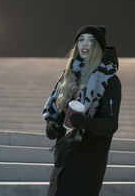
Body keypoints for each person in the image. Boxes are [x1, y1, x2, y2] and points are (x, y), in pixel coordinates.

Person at [42, 25, 122, 196]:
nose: (85, 44)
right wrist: (52, 125)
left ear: (99, 47)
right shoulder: (69, 74)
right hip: (64, 156)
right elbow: (56, 110)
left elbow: (110, 125)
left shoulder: (110, 79)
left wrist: (86, 122)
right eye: (81, 40)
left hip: (88, 160)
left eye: (91, 41)